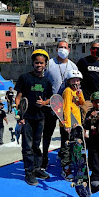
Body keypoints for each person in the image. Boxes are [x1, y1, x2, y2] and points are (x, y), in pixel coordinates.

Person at [14, 49, 53, 186]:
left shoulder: (47, 81)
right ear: (33, 63)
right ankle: (29, 173)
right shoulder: (24, 78)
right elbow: (18, 98)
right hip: (27, 118)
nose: (39, 65)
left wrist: (44, 103)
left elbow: (51, 99)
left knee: (37, 146)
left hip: (40, 117)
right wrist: (19, 114)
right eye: (37, 62)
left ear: (45, 64)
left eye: (41, 63)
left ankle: (37, 169)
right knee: (27, 147)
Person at [41, 40, 78, 170]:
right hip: (51, 104)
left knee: (65, 133)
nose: (63, 49)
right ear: (56, 49)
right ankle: (44, 157)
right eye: (60, 47)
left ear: (69, 50)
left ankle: (64, 155)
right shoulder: (49, 64)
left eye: (65, 47)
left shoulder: (73, 66)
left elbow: (77, 86)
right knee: (47, 133)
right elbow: (43, 82)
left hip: (66, 107)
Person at [60, 70, 85, 181]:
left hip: (76, 124)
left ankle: (75, 165)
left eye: (78, 80)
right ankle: (65, 169)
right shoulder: (68, 91)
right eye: (74, 80)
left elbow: (82, 104)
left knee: (76, 146)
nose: (76, 82)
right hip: (68, 124)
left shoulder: (77, 92)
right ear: (69, 81)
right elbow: (66, 107)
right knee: (66, 147)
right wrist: (67, 124)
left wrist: (80, 95)